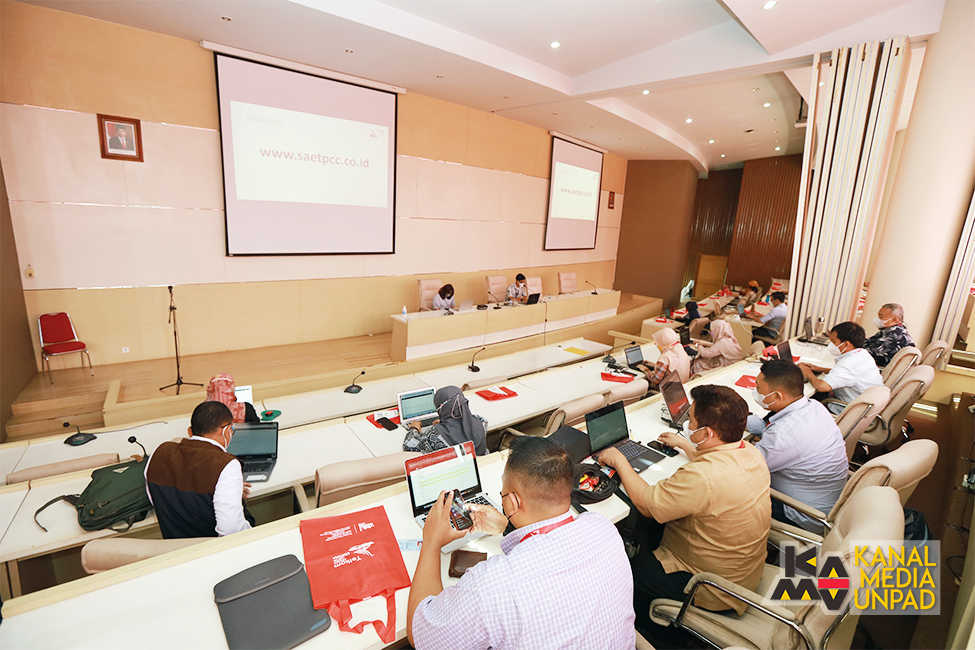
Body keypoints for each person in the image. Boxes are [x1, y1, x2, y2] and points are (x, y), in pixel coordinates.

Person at [407, 437, 635, 650]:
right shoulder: (603, 527)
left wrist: (432, 541)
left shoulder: (490, 585)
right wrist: (506, 526)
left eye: (503, 494)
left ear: (514, 502)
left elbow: (421, 636)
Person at [598, 385, 770, 637]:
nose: (687, 425)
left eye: (691, 421)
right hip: (742, 570)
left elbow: (645, 504)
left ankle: (652, 632)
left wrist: (619, 461)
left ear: (707, 433)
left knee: (625, 573)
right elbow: (714, 462)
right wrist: (685, 445)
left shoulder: (701, 477)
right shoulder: (750, 452)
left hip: (710, 586)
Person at [746, 360, 848, 532]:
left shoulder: (784, 434)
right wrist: (743, 420)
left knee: (728, 490)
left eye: (758, 387)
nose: (755, 391)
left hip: (803, 513)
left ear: (777, 396)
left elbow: (745, 467)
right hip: (828, 499)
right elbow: (779, 434)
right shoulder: (814, 407)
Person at [145, 401, 254, 539]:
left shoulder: (159, 452)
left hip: (174, 543)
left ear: (190, 431)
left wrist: (226, 486)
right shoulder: (227, 464)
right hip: (212, 547)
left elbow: (158, 499)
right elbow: (231, 530)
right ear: (227, 430)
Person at [798, 321, 883, 413]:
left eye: (833, 341)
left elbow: (822, 387)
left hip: (848, 409)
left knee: (802, 402)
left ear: (846, 344)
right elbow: (849, 374)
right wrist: (820, 369)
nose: (830, 344)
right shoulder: (863, 354)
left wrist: (808, 373)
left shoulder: (848, 363)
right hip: (867, 405)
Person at [403, 386, 489, 455]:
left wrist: (414, 428)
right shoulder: (482, 423)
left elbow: (409, 445)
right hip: (481, 464)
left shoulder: (435, 435)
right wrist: (444, 423)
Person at [864, 302, 915, 367]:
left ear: (895, 319)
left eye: (881, 317)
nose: (878, 319)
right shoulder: (891, 331)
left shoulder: (894, 335)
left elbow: (868, 352)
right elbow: (868, 342)